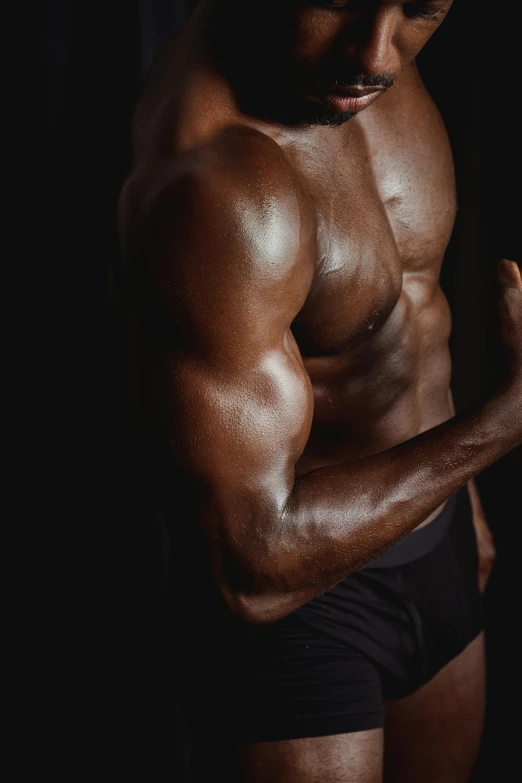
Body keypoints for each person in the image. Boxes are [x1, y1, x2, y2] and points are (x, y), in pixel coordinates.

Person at [117, 1, 521, 780]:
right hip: (304, 613)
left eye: (422, 9)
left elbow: (410, 325)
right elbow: (250, 564)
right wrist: (498, 428)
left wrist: (464, 500)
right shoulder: (215, 185)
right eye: (335, 0)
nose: (375, 52)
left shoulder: (355, 70)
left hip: (441, 540)